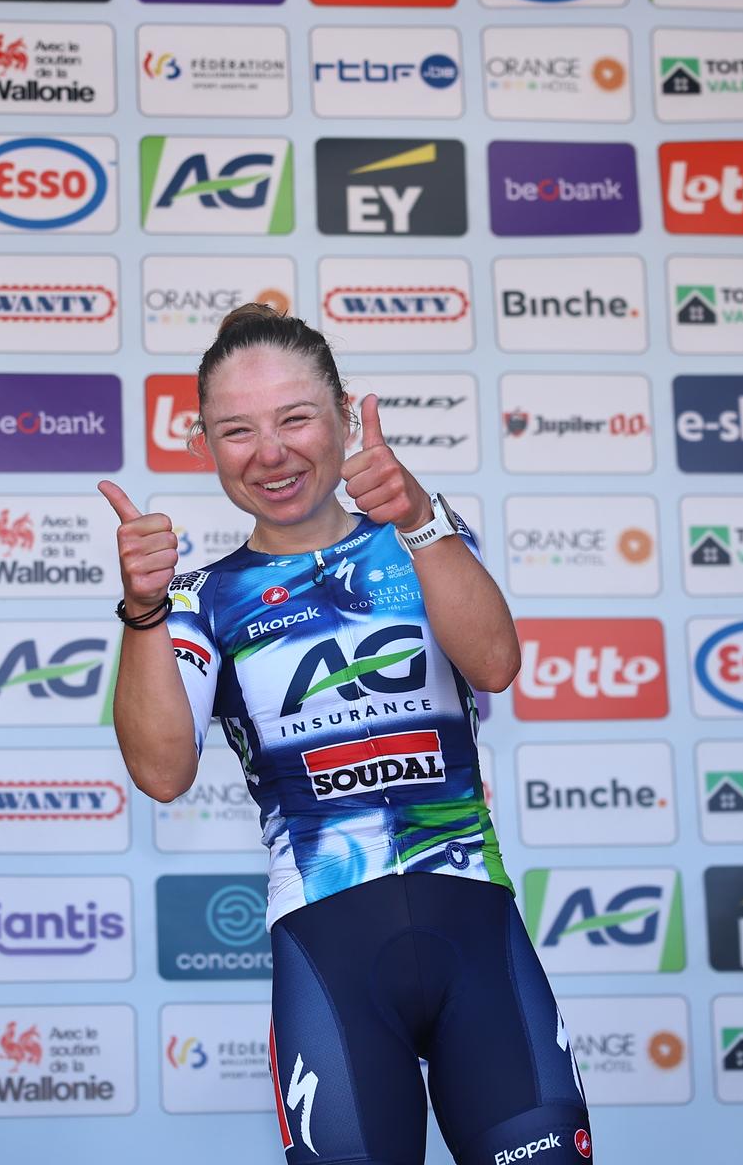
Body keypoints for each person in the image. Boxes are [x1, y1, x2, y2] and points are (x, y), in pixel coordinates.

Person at [101, 308, 590, 1165]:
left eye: (295, 419)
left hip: (474, 926)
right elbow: (162, 773)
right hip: (329, 954)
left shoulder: (422, 535)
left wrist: (423, 520)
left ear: (343, 414)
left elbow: (496, 664)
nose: (272, 452)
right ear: (203, 444)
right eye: (238, 431)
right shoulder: (196, 597)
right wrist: (143, 611)